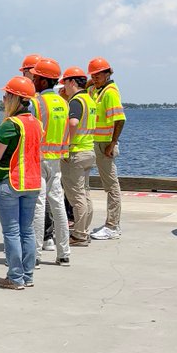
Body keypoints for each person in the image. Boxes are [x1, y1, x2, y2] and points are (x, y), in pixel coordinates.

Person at [0, 76, 42, 290]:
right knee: (27, 231)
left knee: (11, 232)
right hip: (32, 182)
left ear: (14, 98)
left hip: (10, 182)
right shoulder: (36, 123)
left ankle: (15, 277)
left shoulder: (10, 125)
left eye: (6, 95)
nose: (3, 99)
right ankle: (27, 276)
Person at [29, 58, 71, 267]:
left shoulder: (36, 103)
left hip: (39, 159)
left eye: (35, 77)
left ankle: (35, 254)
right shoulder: (63, 103)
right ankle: (64, 253)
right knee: (58, 204)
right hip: (56, 159)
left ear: (43, 81)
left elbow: (30, 130)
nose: (33, 80)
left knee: (38, 205)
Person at [88, 57, 126, 240]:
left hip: (104, 144)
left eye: (97, 75)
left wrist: (112, 143)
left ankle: (112, 226)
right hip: (96, 142)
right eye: (92, 75)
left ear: (107, 74)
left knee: (111, 185)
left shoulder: (109, 92)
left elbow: (120, 119)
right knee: (108, 184)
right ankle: (110, 225)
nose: (94, 78)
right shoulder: (97, 90)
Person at [59, 67, 97, 247]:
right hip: (89, 151)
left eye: (65, 83)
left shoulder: (76, 101)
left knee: (76, 196)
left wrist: (66, 145)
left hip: (76, 152)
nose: (64, 87)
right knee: (85, 193)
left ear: (72, 82)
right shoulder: (89, 100)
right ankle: (84, 231)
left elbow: (73, 123)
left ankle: (79, 234)